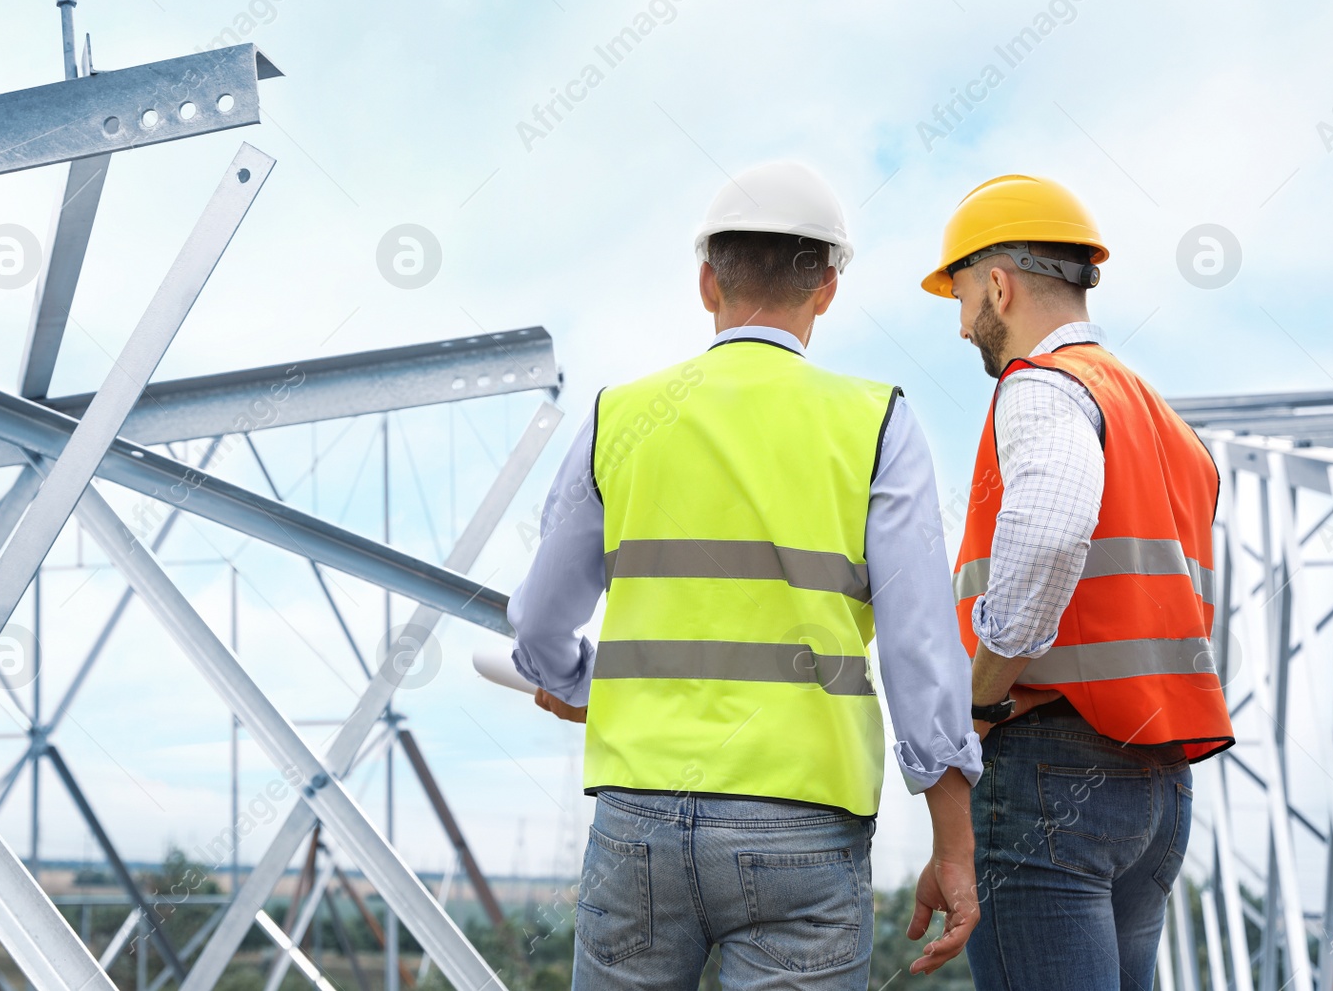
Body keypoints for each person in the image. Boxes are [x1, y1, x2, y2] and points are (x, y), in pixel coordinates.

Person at [507, 160, 981, 990]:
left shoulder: (618, 415)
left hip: (637, 813)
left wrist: (575, 682)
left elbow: (541, 620)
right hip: (804, 815)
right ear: (828, 287)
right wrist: (954, 839)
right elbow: (919, 647)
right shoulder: (878, 422)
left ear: (705, 282)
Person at [921, 174, 1234, 990]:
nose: (961, 326)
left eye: (959, 297)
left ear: (998, 284)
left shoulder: (1041, 387)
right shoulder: (1167, 424)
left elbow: (1052, 535)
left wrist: (981, 701)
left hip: (1050, 767)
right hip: (1157, 785)